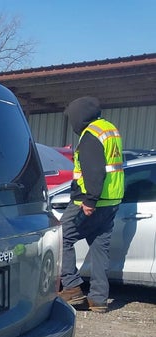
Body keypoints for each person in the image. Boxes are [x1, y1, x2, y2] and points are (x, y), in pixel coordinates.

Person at [57, 96, 124, 312]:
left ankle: (72, 287)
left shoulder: (91, 135)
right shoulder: (110, 130)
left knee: (61, 237)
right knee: (99, 247)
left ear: (79, 116)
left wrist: (90, 200)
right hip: (111, 201)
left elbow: (94, 170)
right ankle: (98, 299)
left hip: (88, 201)